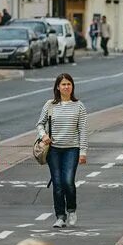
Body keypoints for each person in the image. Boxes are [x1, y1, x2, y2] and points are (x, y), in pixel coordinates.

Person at [35, 73, 88, 229]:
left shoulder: (79, 106)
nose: (66, 87)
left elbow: (83, 130)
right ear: (58, 87)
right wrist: (43, 135)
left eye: (69, 84)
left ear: (72, 86)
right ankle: (60, 216)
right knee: (57, 183)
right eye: (63, 84)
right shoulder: (50, 105)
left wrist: (83, 152)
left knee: (68, 181)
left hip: (72, 149)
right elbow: (39, 124)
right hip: (54, 150)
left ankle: (71, 209)